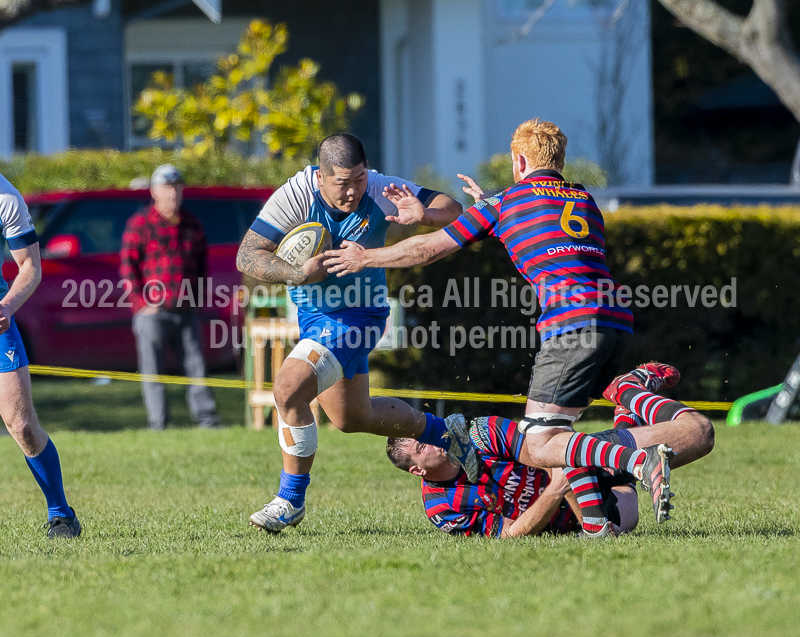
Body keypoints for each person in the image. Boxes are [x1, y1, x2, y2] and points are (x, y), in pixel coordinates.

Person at [325, 119, 642, 533]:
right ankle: (633, 417)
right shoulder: (582, 197)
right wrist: (491, 206)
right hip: (617, 320)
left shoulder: (505, 203)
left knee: (542, 440)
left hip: (571, 323)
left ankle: (635, 458)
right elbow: (542, 229)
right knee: (566, 442)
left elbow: (427, 248)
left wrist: (365, 258)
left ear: (520, 159)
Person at [236, 133, 478, 533]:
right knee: (352, 417)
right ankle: (448, 433)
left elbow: (452, 208)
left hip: (360, 317)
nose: (353, 192)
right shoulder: (295, 195)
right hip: (315, 319)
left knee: (287, 389)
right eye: (343, 183)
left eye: (359, 180)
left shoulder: (380, 189)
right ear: (320, 177)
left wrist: (424, 215)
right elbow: (248, 256)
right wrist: (296, 273)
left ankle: (289, 500)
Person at [386, 363, 714, 538]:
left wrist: (573, 496)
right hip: (576, 496)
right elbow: (511, 534)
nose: (435, 437)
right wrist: (556, 492)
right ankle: (626, 405)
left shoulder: (479, 433)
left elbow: (558, 454)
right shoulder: (442, 508)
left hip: (584, 459)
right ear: (418, 470)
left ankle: (629, 392)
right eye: (422, 443)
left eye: (427, 430)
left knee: (699, 433)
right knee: (628, 510)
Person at [0, 173, 81, 538]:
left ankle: (61, 515)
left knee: (21, 424)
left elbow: (30, 266)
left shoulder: (6, 197)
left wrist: (7, 306)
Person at [120, 164, 221, 431]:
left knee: (196, 368)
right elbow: (128, 269)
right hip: (153, 312)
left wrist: (197, 301)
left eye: (176, 187)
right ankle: (159, 424)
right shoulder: (139, 224)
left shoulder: (192, 224)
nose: (172, 194)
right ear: (154, 192)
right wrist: (142, 305)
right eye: (166, 188)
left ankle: (207, 420)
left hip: (186, 310)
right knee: (153, 371)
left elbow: (201, 266)